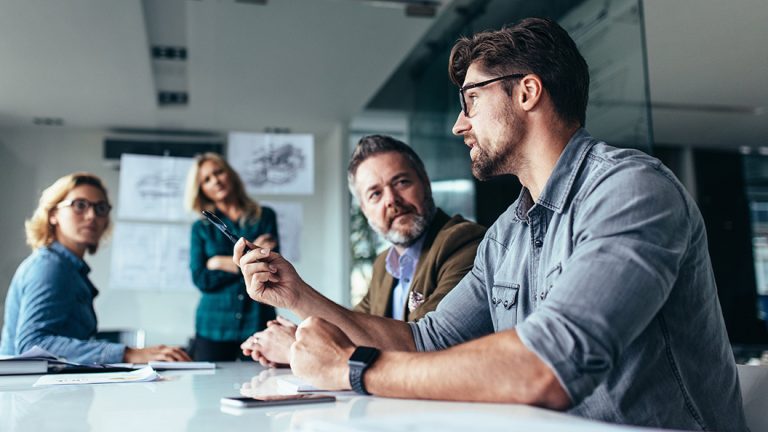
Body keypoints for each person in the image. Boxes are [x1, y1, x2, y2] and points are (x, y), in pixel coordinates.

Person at [234, 17, 748, 430]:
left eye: (472, 99)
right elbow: (424, 340)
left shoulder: (631, 190)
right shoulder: (505, 234)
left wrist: (352, 369)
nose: (460, 123)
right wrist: (296, 295)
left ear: (527, 92)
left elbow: (547, 365)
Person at [240, 135, 486, 366]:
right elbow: (353, 330)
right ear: (365, 210)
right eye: (375, 194)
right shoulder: (384, 265)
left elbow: (423, 346)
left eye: (401, 182)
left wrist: (296, 346)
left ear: (425, 184)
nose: (391, 200)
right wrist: (300, 336)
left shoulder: (464, 242)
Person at [0, 172, 190, 364]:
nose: (92, 216)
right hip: (29, 392)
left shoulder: (70, 269)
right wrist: (127, 353)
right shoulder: (50, 267)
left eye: (100, 208)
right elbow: (32, 345)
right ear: (53, 214)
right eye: (79, 205)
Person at [186, 153, 278, 361]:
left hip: (257, 321)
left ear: (230, 174)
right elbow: (201, 278)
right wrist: (247, 262)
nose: (215, 180)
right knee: (208, 390)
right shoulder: (201, 228)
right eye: (206, 179)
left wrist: (218, 262)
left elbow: (269, 267)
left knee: (261, 386)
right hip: (214, 326)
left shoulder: (264, 217)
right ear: (201, 189)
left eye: (218, 172)